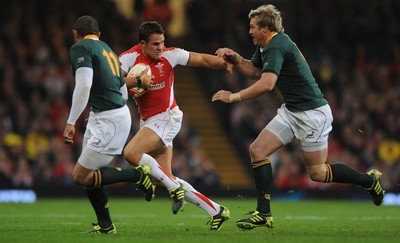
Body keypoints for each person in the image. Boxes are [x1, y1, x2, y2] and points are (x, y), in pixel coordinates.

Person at [212, 4, 384, 230]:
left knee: (318, 173)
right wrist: (235, 58)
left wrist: (233, 97)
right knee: (257, 150)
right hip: (292, 110)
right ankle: (263, 213)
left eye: (253, 27)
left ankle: (370, 181)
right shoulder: (267, 45)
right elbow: (255, 71)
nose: (249, 31)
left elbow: (267, 83)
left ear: (265, 28)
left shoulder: (277, 44)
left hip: (312, 114)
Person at [119, 21, 230, 230]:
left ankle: (173, 188)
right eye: (155, 44)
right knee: (162, 178)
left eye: (162, 42)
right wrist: (135, 81)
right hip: (148, 121)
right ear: (142, 44)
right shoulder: (129, 58)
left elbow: (204, 60)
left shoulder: (171, 54)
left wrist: (226, 63)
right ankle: (216, 210)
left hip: (167, 117)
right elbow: (112, 80)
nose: (160, 47)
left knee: (131, 154)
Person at [63, 15, 155, 234]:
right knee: (89, 174)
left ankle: (138, 175)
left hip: (108, 119)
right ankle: (106, 225)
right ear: (99, 34)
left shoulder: (81, 47)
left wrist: (70, 122)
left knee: (79, 175)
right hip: (107, 115)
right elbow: (122, 92)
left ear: (75, 33)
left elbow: (84, 84)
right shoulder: (109, 51)